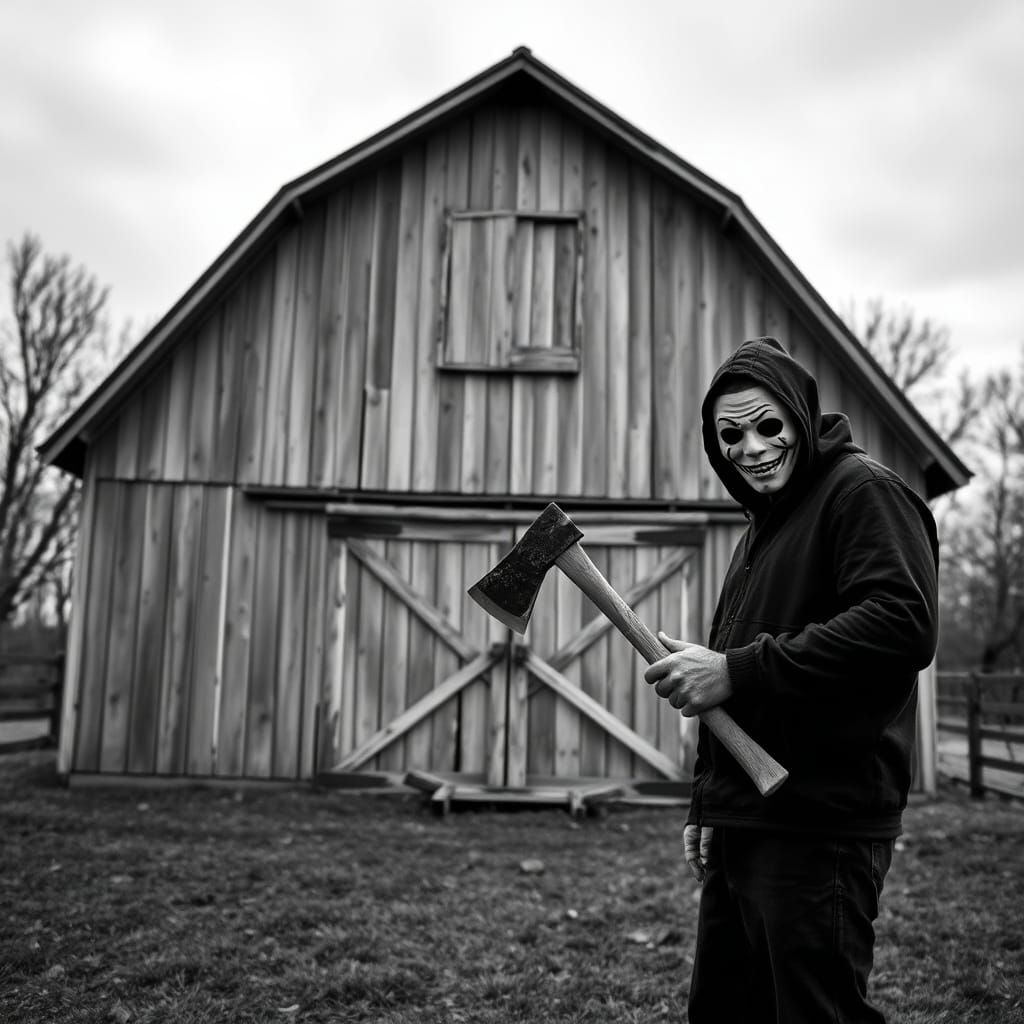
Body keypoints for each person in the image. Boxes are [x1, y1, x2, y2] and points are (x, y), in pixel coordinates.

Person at [644, 336, 939, 1023]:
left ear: (801, 419)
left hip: (820, 822)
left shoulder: (860, 492)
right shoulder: (761, 532)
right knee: (725, 1011)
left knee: (814, 1013)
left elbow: (903, 624)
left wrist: (736, 669)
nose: (751, 447)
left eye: (768, 425)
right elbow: (732, 678)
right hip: (749, 816)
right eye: (731, 436)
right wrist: (708, 804)